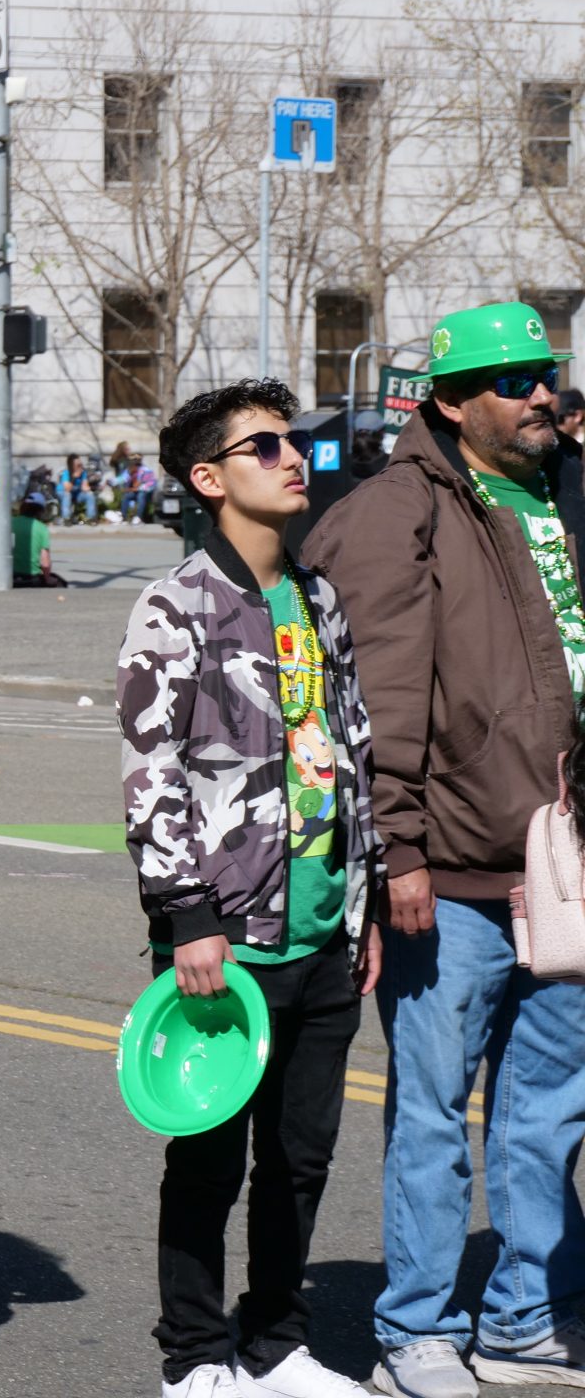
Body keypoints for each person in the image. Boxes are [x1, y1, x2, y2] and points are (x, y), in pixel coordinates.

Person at [302, 302, 585, 1397]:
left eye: (545, 373)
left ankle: (523, 1317)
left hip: (557, 861)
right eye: (512, 381)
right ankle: (415, 1326)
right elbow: (378, 698)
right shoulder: (395, 513)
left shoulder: (560, 494)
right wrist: (400, 852)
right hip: (453, 869)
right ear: (450, 404)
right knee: (433, 1108)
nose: (538, 395)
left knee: (551, 1105)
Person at [121, 377, 383, 1398]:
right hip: (224, 939)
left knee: (302, 1159)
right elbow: (152, 774)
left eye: (293, 443)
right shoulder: (175, 604)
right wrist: (185, 917)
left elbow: (345, 750)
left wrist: (359, 900)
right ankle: (193, 1357)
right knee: (207, 1163)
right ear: (208, 477)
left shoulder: (318, 598)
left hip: (321, 929)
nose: (293, 459)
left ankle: (277, 1346)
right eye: (265, 446)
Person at [11, 493, 66, 587]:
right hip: (32, 579)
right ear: (40, 511)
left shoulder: (11, 523)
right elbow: (45, 563)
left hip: (11, 576)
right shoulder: (42, 528)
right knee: (61, 583)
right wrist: (48, 579)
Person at [56, 454, 99, 524]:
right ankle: (66, 518)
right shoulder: (66, 473)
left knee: (89, 495)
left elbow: (85, 488)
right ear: (72, 465)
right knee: (67, 495)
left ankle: (91, 518)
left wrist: (90, 488)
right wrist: (74, 477)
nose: (80, 467)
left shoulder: (83, 473)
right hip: (62, 492)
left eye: (80, 464)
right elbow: (67, 489)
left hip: (75, 494)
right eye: (78, 465)